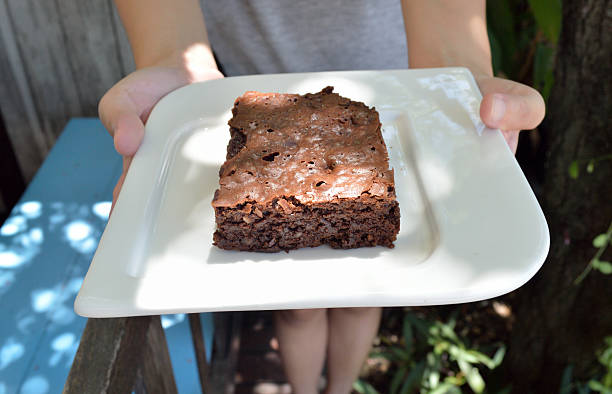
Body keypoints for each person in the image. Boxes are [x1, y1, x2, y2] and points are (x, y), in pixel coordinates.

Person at [100, 1, 545, 393]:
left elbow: (448, 25)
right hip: (253, 76)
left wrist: (453, 79)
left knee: (362, 301)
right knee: (298, 311)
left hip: (396, 86)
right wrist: (171, 56)